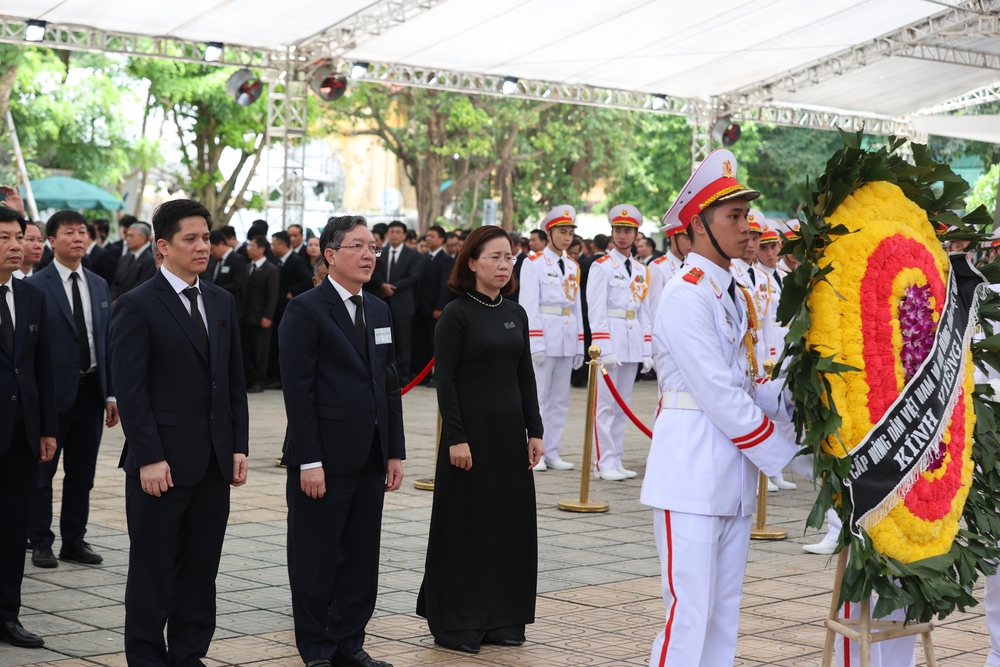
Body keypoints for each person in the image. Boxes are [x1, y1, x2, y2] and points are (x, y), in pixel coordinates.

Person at [641, 148, 798, 667]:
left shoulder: (732, 292)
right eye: (733, 216)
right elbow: (719, 394)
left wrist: (804, 402)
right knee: (688, 617)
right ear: (699, 227)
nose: (745, 226)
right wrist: (790, 451)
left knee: (721, 615)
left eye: (744, 215)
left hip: (727, 472)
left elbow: (748, 383)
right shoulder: (686, 296)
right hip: (688, 471)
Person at [111, 199, 249, 667]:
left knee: (200, 571)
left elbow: (233, 383)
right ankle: (147, 659)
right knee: (152, 572)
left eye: (206, 238)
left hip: (212, 463)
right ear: (163, 245)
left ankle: (190, 655)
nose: (201, 246)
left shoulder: (221, 299)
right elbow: (131, 391)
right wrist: (149, 456)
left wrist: (238, 448)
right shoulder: (136, 304)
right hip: (161, 465)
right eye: (190, 238)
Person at [280, 215, 404, 667]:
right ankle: (316, 648)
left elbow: (388, 383)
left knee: (361, 558)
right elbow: (299, 391)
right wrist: (309, 459)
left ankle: (350, 644)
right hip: (323, 459)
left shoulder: (379, 309)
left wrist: (394, 450)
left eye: (372, 247)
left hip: (370, 454)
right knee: (315, 557)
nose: (370, 254)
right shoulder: (306, 309)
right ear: (330, 255)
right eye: (358, 246)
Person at [416, 224, 543, 654]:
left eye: (509, 257)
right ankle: (457, 622)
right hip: (468, 439)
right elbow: (445, 380)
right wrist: (456, 437)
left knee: (508, 526)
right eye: (495, 257)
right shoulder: (457, 314)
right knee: (467, 528)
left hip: (509, 439)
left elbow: (524, 375)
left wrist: (536, 430)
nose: (505, 265)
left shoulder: (516, 312)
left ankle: (503, 618)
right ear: (472, 263)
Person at [27, 210, 118, 569]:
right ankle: (40, 541)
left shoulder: (98, 284)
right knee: (42, 474)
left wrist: (111, 394)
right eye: (69, 232)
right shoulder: (35, 286)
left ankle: (74, 540)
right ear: (51, 240)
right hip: (51, 397)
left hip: (91, 393)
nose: (79, 237)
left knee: (82, 474)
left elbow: (105, 342)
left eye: (83, 231)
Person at [0, 206, 57, 649]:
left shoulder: (32, 295)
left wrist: (46, 429)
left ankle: (7, 615)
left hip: (20, 434)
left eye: (19, 236)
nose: (16, 245)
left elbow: (42, 368)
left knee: (13, 527)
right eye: (4, 237)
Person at [586, 204, 653, 481]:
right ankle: (603, 461)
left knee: (623, 404)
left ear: (636, 234)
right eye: (618, 230)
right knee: (604, 405)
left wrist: (647, 349)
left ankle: (616, 458)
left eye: (627, 231)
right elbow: (595, 308)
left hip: (632, 339)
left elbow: (644, 310)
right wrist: (604, 346)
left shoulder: (640, 269)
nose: (622, 235)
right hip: (611, 338)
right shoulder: (601, 267)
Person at [518, 205, 584, 471]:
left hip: (567, 337)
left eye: (570, 233)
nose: (567, 238)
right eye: (562, 232)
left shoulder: (572, 266)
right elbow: (528, 305)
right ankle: (536, 451)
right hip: (545, 335)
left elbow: (577, 306)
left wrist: (580, 343)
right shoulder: (533, 263)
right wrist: (535, 342)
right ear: (550, 232)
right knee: (539, 398)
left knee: (560, 400)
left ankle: (553, 450)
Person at [377, 220, 422, 383]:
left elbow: (413, 277)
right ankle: (383, 372)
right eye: (392, 232)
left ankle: (403, 375)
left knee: (403, 341)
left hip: (402, 304)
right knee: (382, 339)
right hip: (382, 301)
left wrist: (392, 287)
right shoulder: (381, 252)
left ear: (404, 235)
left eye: (398, 232)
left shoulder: (413, 254)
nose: (394, 235)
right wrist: (381, 285)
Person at [267, 230, 312, 387]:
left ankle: (281, 377)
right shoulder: (273, 259)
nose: (271, 247)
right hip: (275, 308)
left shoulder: (296, 261)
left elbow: (307, 280)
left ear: (283, 244)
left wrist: (291, 292)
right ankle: (272, 375)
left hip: (288, 308)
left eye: (274, 244)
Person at [412, 225, 453, 384]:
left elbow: (445, 285)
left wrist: (440, 307)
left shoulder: (446, 259)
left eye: (432, 236)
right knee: (422, 343)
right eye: (427, 236)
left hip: (435, 309)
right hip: (420, 308)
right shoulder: (423, 257)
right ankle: (423, 375)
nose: (428, 238)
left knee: (436, 343)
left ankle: (438, 376)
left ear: (441, 240)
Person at [241, 236, 279, 393]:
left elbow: (272, 295)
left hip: (261, 316)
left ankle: (259, 380)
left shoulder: (271, 269)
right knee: (247, 349)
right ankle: (248, 378)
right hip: (246, 316)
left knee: (261, 350)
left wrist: (268, 316)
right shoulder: (247, 267)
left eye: (252, 246)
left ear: (262, 249)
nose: (248, 249)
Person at [205, 230, 249, 322]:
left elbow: (238, 284)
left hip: (231, 306)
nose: (211, 253)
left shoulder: (237, 259)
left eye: (212, 249)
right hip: (215, 308)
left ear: (221, 244)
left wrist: (214, 290)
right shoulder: (213, 260)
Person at [110, 221, 156, 301]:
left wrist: (122, 300)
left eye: (131, 236)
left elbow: (142, 286)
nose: (127, 239)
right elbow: (115, 282)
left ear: (143, 238)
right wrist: (114, 299)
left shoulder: (150, 260)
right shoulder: (125, 257)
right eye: (127, 235)